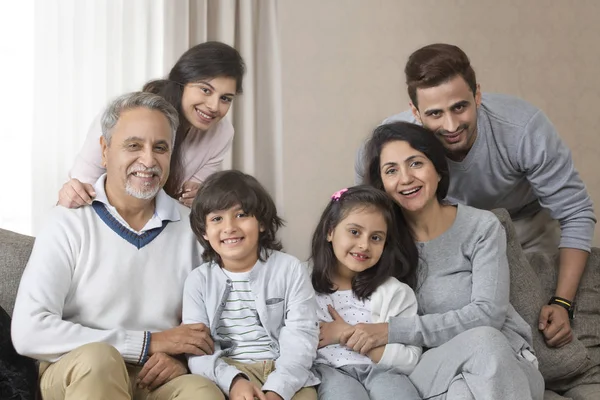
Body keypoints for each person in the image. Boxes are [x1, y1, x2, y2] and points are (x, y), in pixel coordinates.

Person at [354, 43, 596, 348]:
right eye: (435, 114)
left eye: (460, 107)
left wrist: (562, 302)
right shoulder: (387, 146)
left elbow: (575, 213)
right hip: (443, 237)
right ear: (415, 112)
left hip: (526, 226)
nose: (452, 125)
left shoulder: (523, 129)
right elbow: (370, 222)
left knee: (537, 334)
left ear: (477, 95)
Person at [11, 92, 223, 400]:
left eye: (160, 147)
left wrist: (184, 360)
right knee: (100, 360)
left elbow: (219, 322)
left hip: (154, 376)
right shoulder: (67, 222)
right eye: (134, 145)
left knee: (201, 391)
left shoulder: (194, 229)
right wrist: (148, 342)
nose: (148, 160)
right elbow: (28, 331)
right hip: (78, 369)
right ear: (105, 150)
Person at [346, 121, 545, 400]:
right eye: (391, 170)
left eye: (415, 163)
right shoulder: (378, 241)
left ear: (438, 170)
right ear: (382, 185)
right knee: (481, 346)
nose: (405, 178)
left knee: (476, 362)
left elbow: (488, 314)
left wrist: (393, 331)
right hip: (432, 369)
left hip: (508, 363)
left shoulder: (482, 227)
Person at [183, 170, 319, 400]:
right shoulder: (198, 281)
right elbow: (197, 349)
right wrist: (234, 382)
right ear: (204, 231)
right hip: (225, 372)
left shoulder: (290, 269)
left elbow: (302, 336)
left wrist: (278, 388)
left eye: (241, 214)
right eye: (217, 219)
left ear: (262, 223)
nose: (229, 227)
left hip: (284, 369)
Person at [59, 41, 246, 208]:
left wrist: (199, 197)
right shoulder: (123, 117)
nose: (214, 106)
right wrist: (73, 194)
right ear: (181, 82)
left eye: (225, 98)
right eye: (205, 90)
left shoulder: (222, 133)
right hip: (104, 217)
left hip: (163, 226)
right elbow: (80, 188)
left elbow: (186, 203)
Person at [309, 185, 421, 400]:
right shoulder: (301, 283)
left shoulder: (396, 294)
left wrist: (346, 334)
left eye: (376, 238)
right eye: (354, 232)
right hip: (330, 372)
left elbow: (410, 360)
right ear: (330, 231)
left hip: (384, 371)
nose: (364, 245)